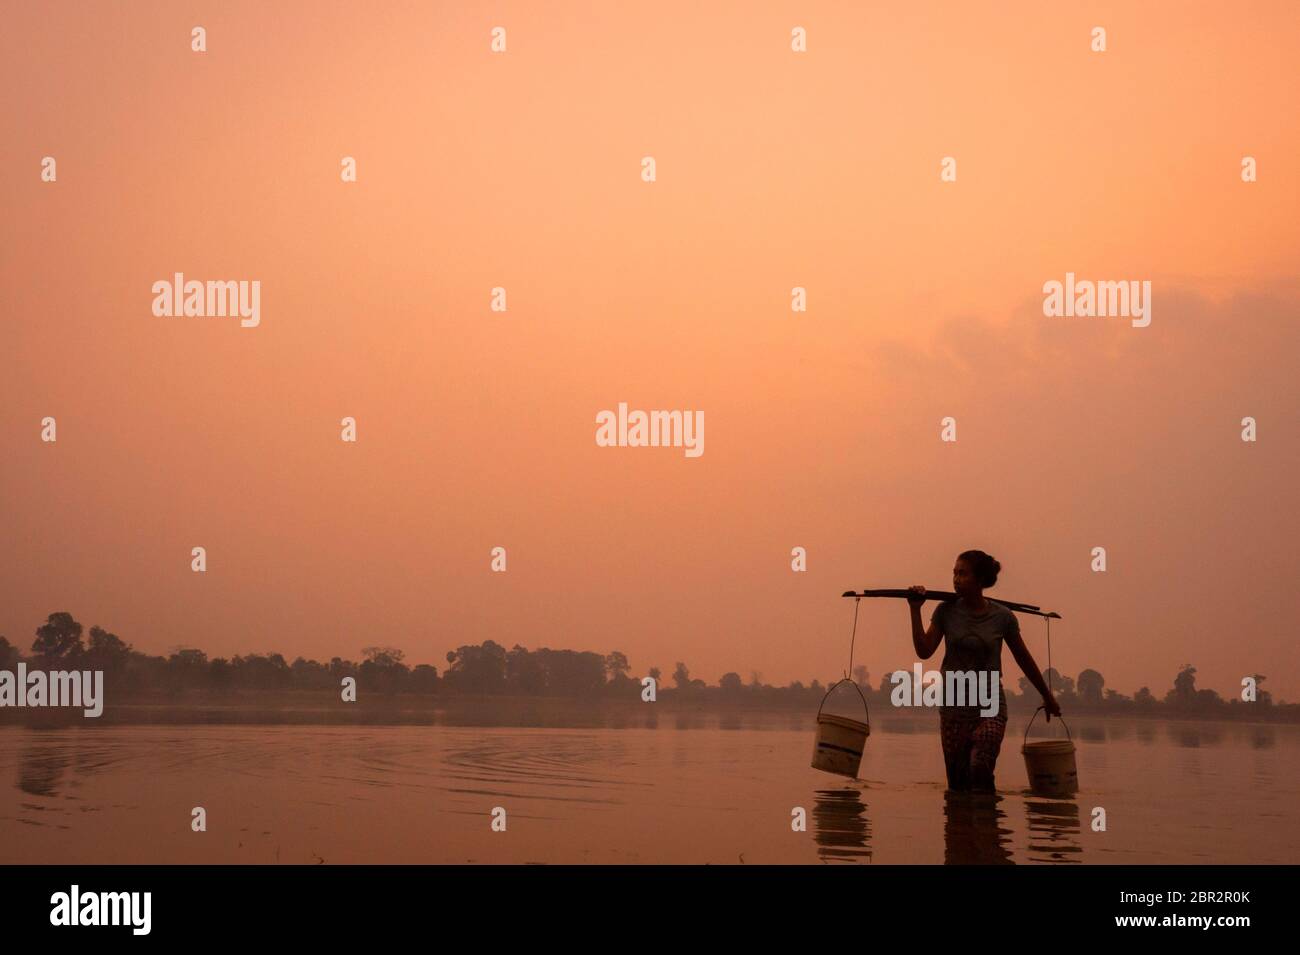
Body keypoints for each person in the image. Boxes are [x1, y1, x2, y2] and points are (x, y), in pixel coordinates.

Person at [907, 550, 1061, 792]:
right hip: (953, 704)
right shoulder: (945, 611)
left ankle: (985, 816)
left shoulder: (1002, 618)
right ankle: (974, 824)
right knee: (958, 784)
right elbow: (924, 651)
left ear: (980, 581)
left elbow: (1023, 658)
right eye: (954, 573)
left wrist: (1047, 695)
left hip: (990, 703)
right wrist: (915, 609)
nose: (956, 579)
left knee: (981, 760)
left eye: (963, 574)